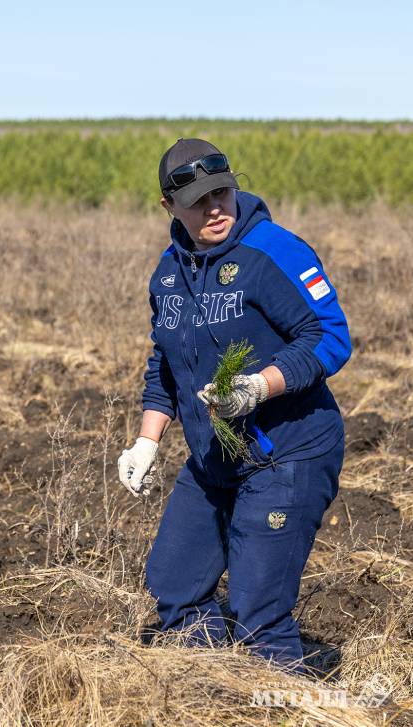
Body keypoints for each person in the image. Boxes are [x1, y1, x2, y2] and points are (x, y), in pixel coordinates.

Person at [117, 138, 350, 672]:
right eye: (198, 200)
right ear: (168, 207)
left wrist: (258, 387)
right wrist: (147, 442)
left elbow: (330, 337)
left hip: (288, 452)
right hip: (215, 458)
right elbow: (166, 363)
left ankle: (287, 699)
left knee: (257, 612)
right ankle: (215, 691)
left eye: (221, 192)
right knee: (174, 585)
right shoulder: (169, 274)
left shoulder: (275, 251)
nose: (214, 207)